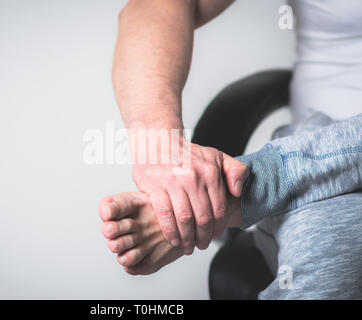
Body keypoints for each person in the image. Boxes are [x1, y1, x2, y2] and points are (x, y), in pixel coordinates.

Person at [99, 0, 362, 299]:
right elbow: (157, 6)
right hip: (314, 152)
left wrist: (230, 194)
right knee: (327, 240)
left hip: (302, 178)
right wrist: (161, 150)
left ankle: (249, 192)